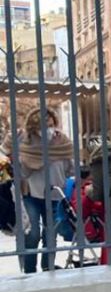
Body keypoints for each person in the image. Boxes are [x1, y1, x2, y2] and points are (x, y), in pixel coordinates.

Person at [1, 108, 74, 273]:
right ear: (34, 128)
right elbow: (3, 153)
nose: (48, 129)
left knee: (51, 235)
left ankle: (48, 267)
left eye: (51, 125)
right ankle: (29, 270)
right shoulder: (22, 139)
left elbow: (70, 166)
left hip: (55, 193)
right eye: (43, 126)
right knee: (32, 233)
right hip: (30, 193)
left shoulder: (61, 141)